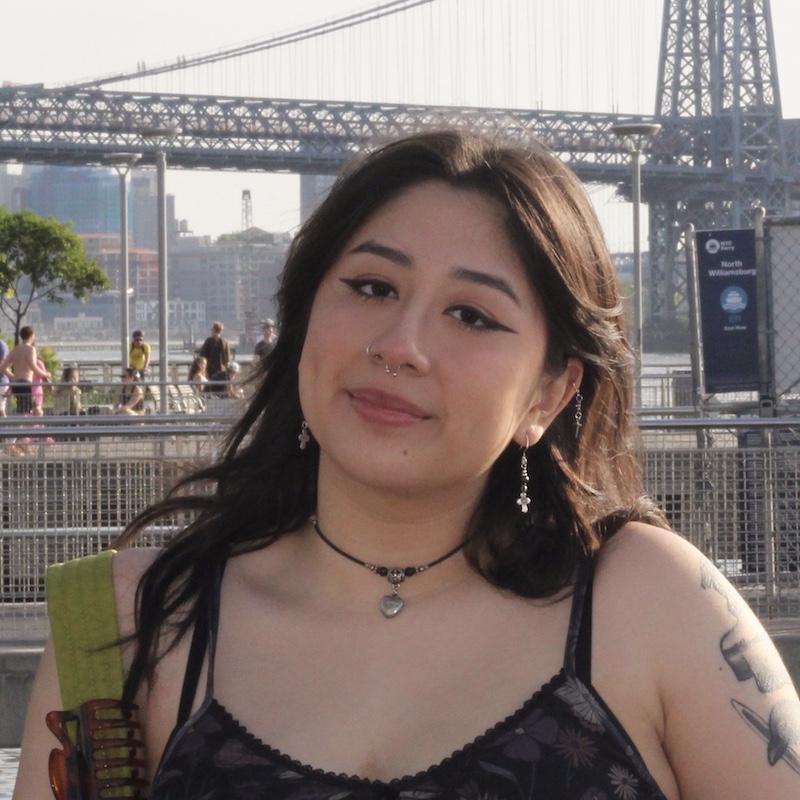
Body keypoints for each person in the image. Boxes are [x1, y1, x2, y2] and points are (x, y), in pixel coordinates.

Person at [14, 130, 800, 800]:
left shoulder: (647, 603)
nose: (399, 344)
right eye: (370, 286)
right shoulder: (122, 623)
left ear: (550, 393)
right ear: (302, 320)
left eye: (472, 315)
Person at [0, 326, 50, 415]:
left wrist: (13, 377)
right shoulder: (30, 349)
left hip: (16, 384)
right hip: (25, 383)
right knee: (36, 410)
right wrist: (45, 374)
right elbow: (32, 366)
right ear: (31, 335)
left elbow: (3, 367)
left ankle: (24, 427)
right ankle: (37, 428)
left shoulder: (15, 350)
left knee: (24, 410)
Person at [0, 334, 9, 417]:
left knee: (0, 409)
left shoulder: (1, 345)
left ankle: (6, 429)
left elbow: (2, 365)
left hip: (1, 382)